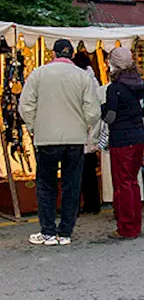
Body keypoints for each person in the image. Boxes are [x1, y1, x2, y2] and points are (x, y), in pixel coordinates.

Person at [19, 39, 100, 246]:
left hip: (46, 138)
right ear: (72, 55)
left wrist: (34, 127)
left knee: (46, 185)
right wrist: (84, 126)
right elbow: (92, 111)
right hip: (74, 138)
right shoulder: (83, 76)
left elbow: (25, 106)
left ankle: (47, 231)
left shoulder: (38, 74)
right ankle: (65, 232)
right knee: (71, 185)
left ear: (53, 54)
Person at [101, 47, 144, 239]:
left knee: (123, 183)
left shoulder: (115, 88)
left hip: (121, 139)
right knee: (132, 182)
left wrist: (102, 108)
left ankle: (127, 227)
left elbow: (110, 117)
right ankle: (134, 224)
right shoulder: (140, 84)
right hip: (138, 137)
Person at [73, 52, 101, 214]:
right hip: (91, 134)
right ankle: (93, 204)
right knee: (89, 171)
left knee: (77, 173)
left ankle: (79, 205)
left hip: (80, 132)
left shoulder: (80, 80)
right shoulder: (93, 79)